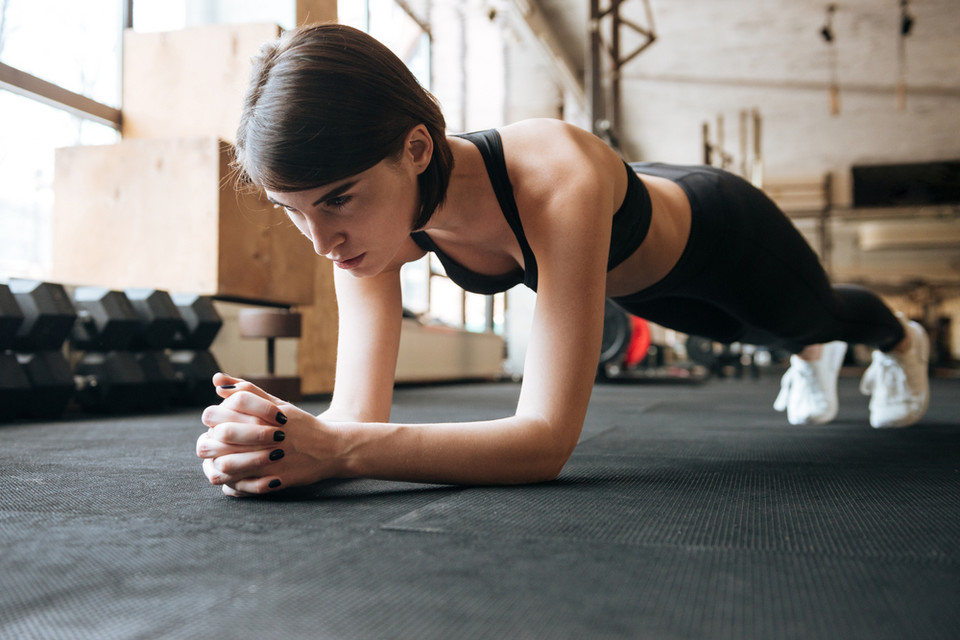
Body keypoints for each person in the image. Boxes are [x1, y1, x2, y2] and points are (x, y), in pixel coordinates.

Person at [196, 23, 930, 497]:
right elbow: (356, 419)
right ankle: (803, 352)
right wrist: (278, 439)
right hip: (641, 289)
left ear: (415, 149)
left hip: (721, 235)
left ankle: (900, 341)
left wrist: (340, 450)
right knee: (754, 336)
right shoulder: (370, 226)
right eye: (294, 212)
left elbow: (544, 441)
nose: (321, 241)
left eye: (335, 201)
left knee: (821, 317)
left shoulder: (554, 175)